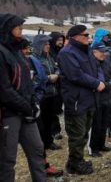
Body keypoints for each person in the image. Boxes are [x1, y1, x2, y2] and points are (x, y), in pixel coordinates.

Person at [0, 13, 46, 181]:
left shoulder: (18, 51)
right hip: (8, 115)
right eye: (18, 28)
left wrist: (33, 101)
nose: (21, 30)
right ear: (7, 29)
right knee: (7, 159)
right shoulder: (1, 52)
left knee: (37, 149)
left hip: (26, 112)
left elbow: (27, 80)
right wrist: (26, 106)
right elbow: (4, 90)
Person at [58, 25, 106, 175]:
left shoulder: (86, 51)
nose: (89, 37)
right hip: (77, 100)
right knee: (77, 135)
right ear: (75, 37)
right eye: (85, 35)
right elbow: (75, 75)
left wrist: (101, 80)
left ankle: (75, 161)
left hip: (89, 99)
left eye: (88, 34)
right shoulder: (66, 53)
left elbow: (97, 68)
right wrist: (96, 83)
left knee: (84, 132)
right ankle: (75, 163)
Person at [21, 39, 64, 178]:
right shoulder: (10, 62)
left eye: (28, 48)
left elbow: (40, 80)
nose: (27, 51)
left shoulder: (32, 60)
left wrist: (36, 98)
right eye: (24, 48)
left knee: (38, 143)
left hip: (35, 104)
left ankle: (43, 168)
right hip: (14, 111)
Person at [32, 35, 62, 151]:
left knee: (50, 119)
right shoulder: (33, 59)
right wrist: (48, 78)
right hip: (41, 95)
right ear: (39, 45)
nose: (48, 46)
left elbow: (57, 68)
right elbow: (34, 77)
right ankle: (41, 144)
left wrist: (57, 74)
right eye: (45, 44)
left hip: (52, 93)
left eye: (48, 44)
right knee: (41, 122)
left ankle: (49, 142)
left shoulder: (49, 57)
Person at [89, 42, 111, 156]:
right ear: (94, 52)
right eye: (101, 51)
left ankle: (101, 144)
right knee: (95, 124)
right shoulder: (90, 64)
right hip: (96, 98)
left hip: (107, 97)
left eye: (105, 51)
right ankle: (93, 148)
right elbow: (94, 81)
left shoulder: (106, 61)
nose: (104, 53)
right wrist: (107, 84)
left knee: (104, 122)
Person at [48, 31, 65, 140]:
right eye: (58, 40)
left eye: (62, 40)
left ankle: (56, 129)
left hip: (62, 83)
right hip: (52, 84)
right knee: (52, 109)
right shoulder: (49, 53)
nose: (61, 42)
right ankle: (54, 131)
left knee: (58, 108)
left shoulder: (63, 51)